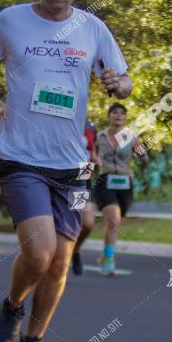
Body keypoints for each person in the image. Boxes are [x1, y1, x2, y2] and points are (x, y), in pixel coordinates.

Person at [0, 0, 132, 342]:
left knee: (61, 260)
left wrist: (119, 84)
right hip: (21, 157)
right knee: (40, 253)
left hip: (71, 164)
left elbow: (124, 80)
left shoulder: (93, 29)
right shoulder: (9, 20)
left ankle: (34, 341)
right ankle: (12, 307)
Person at [94, 103, 148, 276]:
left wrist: (143, 157)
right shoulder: (99, 137)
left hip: (125, 182)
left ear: (125, 118)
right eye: (115, 113)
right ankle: (109, 259)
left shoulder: (131, 137)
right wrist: (95, 160)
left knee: (116, 223)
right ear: (108, 116)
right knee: (113, 219)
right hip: (105, 180)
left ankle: (105, 255)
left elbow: (144, 156)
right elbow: (90, 154)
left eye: (122, 114)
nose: (118, 116)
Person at [71, 118, 98, 276]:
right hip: (62, 177)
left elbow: (92, 153)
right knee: (69, 225)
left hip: (81, 179)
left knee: (87, 224)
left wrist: (94, 159)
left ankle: (74, 251)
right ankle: (60, 264)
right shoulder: (60, 118)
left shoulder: (90, 126)